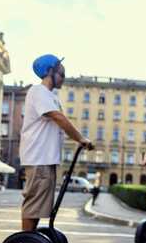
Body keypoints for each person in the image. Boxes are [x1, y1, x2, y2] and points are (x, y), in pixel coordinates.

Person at [19, 54, 93, 231]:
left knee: (39, 206)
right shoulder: (38, 91)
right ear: (50, 71)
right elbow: (57, 117)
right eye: (62, 73)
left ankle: (30, 240)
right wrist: (81, 138)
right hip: (39, 157)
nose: (64, 77)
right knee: (34, 204)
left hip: (45, 158)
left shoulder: (51, 96)